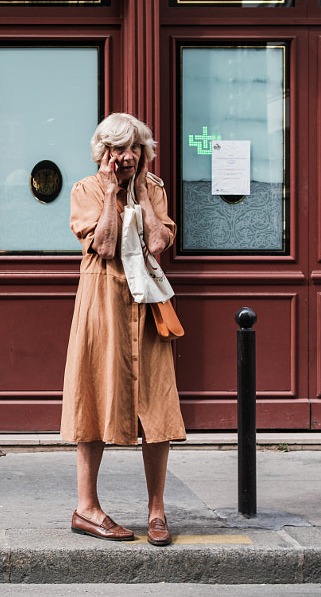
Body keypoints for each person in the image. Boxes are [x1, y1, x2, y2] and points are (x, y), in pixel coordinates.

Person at [60, 113, 186, 546]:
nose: (127, 156)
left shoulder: (154, 190)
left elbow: (157, 243)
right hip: (103, 307)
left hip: (146, 310)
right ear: (103, 154)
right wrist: (115, 194)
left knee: (156, 404)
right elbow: (106, 245)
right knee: (94, 397)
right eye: (117, 149)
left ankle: (157, 512)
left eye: (134, 148)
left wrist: (143, 201)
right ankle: (87, 508)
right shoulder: (86, 191)